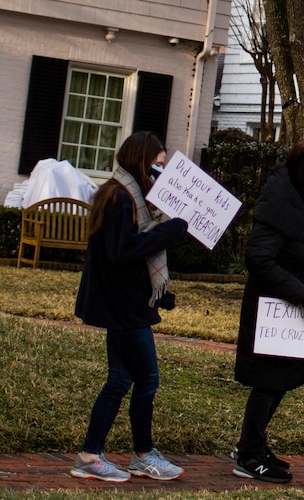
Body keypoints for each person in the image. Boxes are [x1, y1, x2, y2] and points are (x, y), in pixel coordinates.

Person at [71, 131, 190, 483]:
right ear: (140, 160)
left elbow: (132, 248)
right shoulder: (120, 199)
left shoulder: (125, 196)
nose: (160, 170)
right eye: (156, 164)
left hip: (124, 304)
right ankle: (140, 455)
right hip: (122, 308)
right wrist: (168, 232)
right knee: (147, 379)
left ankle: (93, 455)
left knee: (121, 379)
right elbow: (123, 252)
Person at [231, 140, 304, 483]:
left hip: (294, 308)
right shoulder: (279, 204)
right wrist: (299, 293)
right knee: (268, 382)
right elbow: (259, 258)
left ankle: (255, 445)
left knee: (280, 382)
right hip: (274, 308)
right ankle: (248, 454)